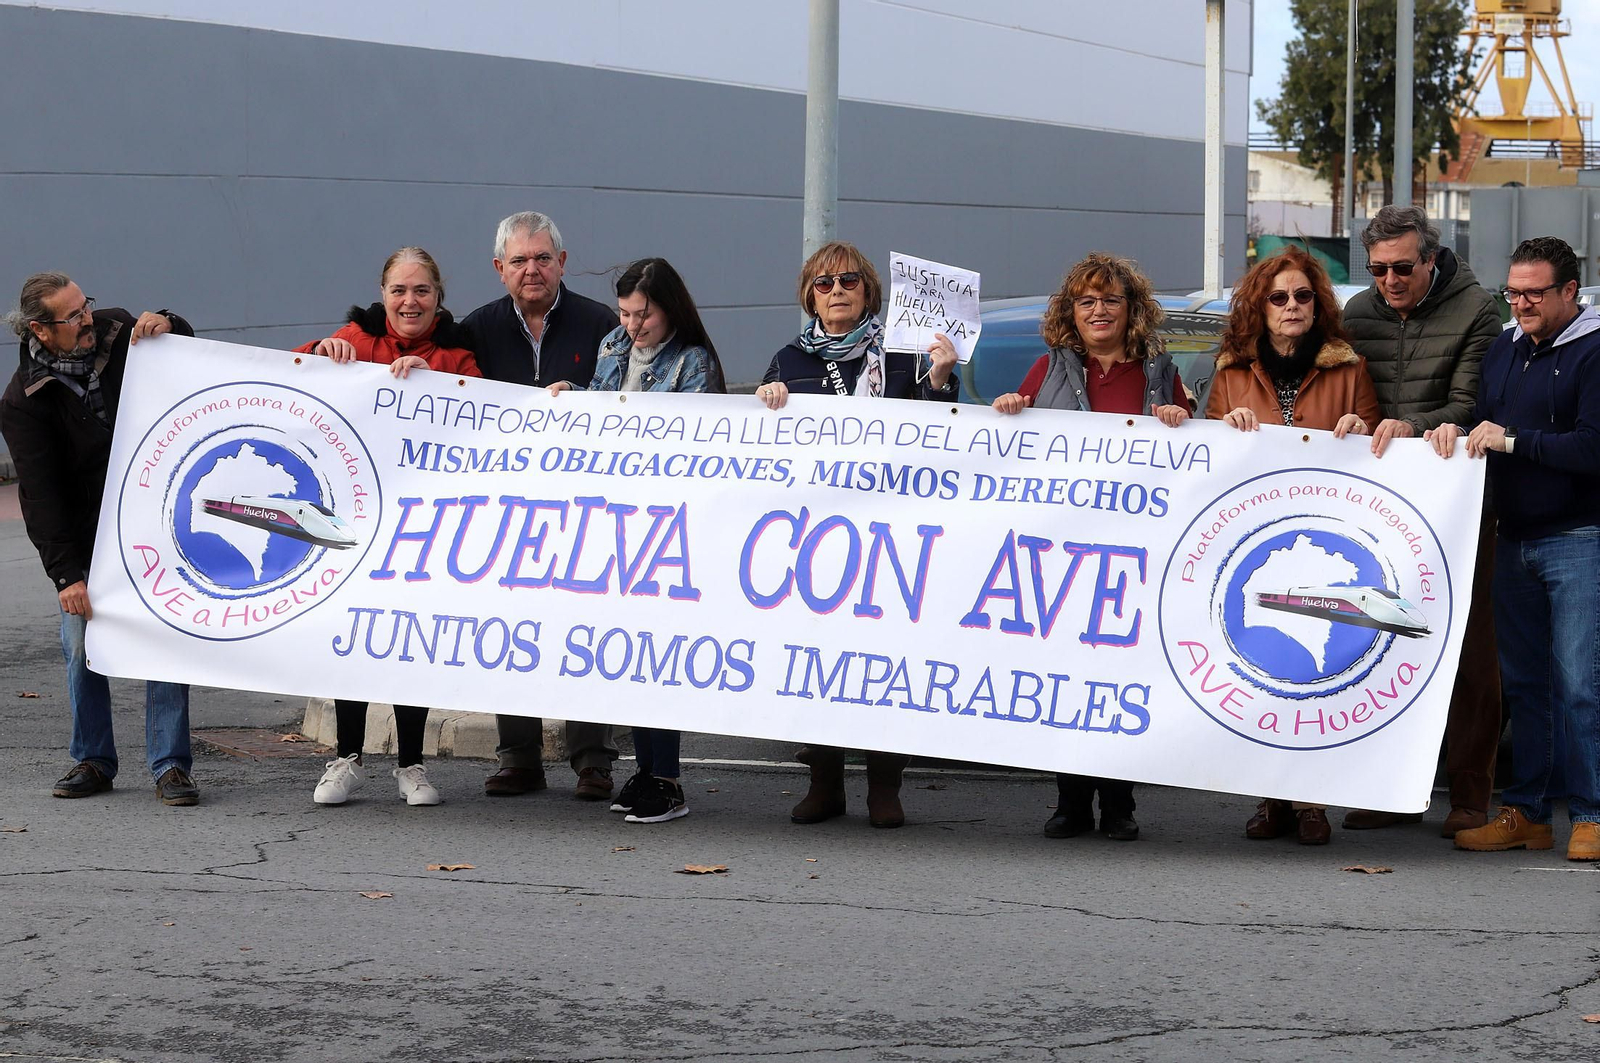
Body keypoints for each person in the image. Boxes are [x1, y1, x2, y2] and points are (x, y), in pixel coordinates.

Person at [757, 240, 959, 828]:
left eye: (849, 281)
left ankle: (884, 787)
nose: (837, 291)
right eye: (825, 283)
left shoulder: (904, 355)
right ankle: (824, 783)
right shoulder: (788, 360)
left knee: (881, 659)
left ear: (869, 291)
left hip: (889, 532)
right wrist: (767, 401)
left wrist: (940, 379)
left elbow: (941, 434)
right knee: (817, 661)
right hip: (815, 536)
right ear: (810, 297)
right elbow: (761, 444)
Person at [989, 252, 1190, 843]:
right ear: (1071, 313)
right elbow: (1018, 445)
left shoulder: (1159, 372)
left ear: (1132, 310)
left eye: (1110, 300)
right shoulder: (1046, 369)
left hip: (1133, 553)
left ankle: (1119, 804)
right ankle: (1071, 801)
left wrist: (1177, 416)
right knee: (1070, 676)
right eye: (1086, 301)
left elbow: (1193, 452)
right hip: (1065, 552)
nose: (1099, 310)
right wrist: (1012, 410)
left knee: (1120, 678)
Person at [1, 273, 199, 805]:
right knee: (81, 644)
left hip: (153, 522)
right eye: (72, 316)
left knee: (163, 639)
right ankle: (93, 759)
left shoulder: (116, 329)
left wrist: (169, 322)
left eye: (84, 305)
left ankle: (170, 766)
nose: (87, 318)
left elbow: (186, 352)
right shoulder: (23, 400)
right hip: (87, 536)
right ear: (41, 330)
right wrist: (66, 576)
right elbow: (39, 497)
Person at [293, 247, 480, 807]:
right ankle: (346, 759)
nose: (410, 301)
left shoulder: (457, 356)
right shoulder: (355, 338)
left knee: (408, 642)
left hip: (423, 526)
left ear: (439, 297)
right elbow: (289, 379)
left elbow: (484, 417)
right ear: (383, 294)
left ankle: (411, 766)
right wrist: (320, 353)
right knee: (352, 637)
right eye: (399, 290)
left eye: (422, 290)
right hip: (356, 521)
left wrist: (436, 386)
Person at [1207, 245, 1381, 845]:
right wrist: (1223, 428)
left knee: (1317, 668)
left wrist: (1360, 428)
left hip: (1324, 540)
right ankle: (1270, 797)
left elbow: (1380, 454)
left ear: (1317, 304)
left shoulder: (1349, 370)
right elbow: (1207, 458)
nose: (1291, 306)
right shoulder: (1231, 372)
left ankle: (1312, 802)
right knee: (1264, 667)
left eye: (1302, 296)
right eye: (1278, 297)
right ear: (1261, 306)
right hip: (1255, 544)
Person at [547, 258, 727, 824]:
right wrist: (572, 394)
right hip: (616, 521)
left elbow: (699, 442)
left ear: (670, 308)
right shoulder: (612, 346)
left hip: (667, 526)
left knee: (659, 654)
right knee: (632, 656)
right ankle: (647, 770)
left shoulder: (693, 362)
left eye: (643, 314)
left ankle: (667, 779)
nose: (632, 325)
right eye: (625, 313)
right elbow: (603, 408)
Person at [1344, 206, 1504, 837]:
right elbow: (1343, 395)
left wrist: (1410, 426)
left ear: (1431, 260)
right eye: (1378, 269)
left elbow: (1471, 403)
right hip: (1377, 512)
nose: (1390, 280)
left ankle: (1470, 793)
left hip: (1460, 507)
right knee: (1379, 645)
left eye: (1403, 268)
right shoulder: (1356, 314)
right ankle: (1390, 790)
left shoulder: (1477, 310)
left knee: (1470, 653)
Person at [1438, 237, 1600, 863]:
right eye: (1513, 292)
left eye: (1534, 293)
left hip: (1580, 538)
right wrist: (1456, 428)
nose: (1521, 304)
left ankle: (1590, 815)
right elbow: (1482, 420)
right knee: (1526, 685)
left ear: (1570, 292)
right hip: (1512, 539)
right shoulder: (1505, 347)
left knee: (1580, 684)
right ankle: (1527, 813)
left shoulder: (1594, 350)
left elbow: (1592, 446)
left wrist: (1513, 441)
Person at [460, 211, 622, 801]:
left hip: (586, 506)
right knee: (512, 628)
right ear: (499, 268)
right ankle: (519, 758)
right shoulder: (476, 330)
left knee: (584, 628)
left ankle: (592, 761)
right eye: (520, 260)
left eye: (543, 258)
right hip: (505, 508)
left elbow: (625, 402)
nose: (532, 269)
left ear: (562, 263)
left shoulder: (601, 324)